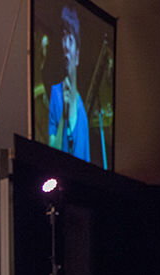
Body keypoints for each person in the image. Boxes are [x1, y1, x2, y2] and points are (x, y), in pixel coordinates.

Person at [48, 5, 90, 162]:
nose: (65, 45)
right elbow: (50, 152)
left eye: (70, 39)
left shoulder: (82, 116)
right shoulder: (55, 93)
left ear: (77, 56)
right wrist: (63, 118)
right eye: (63, 38)